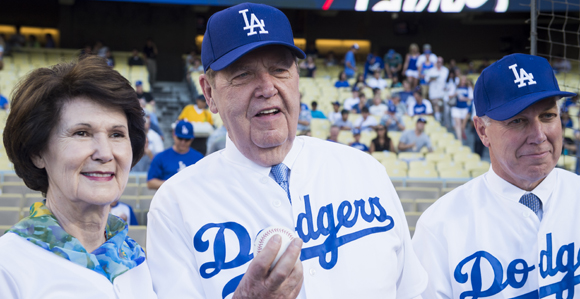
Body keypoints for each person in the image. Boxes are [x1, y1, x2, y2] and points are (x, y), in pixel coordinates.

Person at [146, 3, 427, 298]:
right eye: (243, 74)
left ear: (296, 78)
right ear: (209, 93)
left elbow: (413, 291)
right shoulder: (175, 203)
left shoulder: (364, 171)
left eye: (279, 69)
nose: (267, 88)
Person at [412, 53, 578, 298]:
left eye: (548, 116)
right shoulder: (439, 226)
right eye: (518, 121)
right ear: (482, 130)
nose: (539, 135)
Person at [0, 56, 156, 298]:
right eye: (81, 133)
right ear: (37, 152)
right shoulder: (8, 265)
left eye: (116, 134)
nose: (105, 154)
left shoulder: (136, 260)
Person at [146, 120, 203, 190]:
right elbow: (150, 183)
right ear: (173, 134)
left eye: (187, 139)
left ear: (192, 138)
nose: (183, 142)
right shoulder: (160, 157)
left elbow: (204, 181)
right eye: (180, 138)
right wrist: (174, 184)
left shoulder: (199, 158)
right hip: (168, 198)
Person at [425, 56, 449, 122]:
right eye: (438, 62)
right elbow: (426, 79)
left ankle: (441, 118)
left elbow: (446, 80)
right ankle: (438, 119)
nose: (439, 63)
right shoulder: (431, 70)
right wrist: (432, 79)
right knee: (436, 104)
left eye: (440, 62)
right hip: (434, 91)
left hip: (442, 91)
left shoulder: (445, 70)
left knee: (441, 105)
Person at [451, 75, 473, 140]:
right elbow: (449, 96)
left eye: (464, 80)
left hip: (465, 108)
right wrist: (455, 94)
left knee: (462, 126)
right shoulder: (455, 87)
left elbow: (471, 98)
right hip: (456, 108)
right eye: (462, 80)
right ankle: (459, 140)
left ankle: (462, 131)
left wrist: (464, 98)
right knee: (458, 124)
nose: (463, 81)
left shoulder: (468, 88)